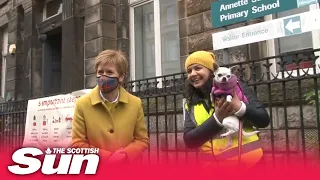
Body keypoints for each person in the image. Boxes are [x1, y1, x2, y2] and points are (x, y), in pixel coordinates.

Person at [183, 50, 270, 168]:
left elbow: (263, 119)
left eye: (198, 68)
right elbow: (190, 141)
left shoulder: (236, 88)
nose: (192, 74)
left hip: (250, 167)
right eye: (189, 71)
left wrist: (240, 108)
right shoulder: (190, 104)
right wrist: (217, 119)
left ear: (211, 71)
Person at [72, 49, 149, 164]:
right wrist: (106, 157)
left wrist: (125, 155)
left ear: (121, 76)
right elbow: (77, 143)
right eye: (100, 72)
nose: (103, 76)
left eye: (109, 72)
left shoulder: (135, 103)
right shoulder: (82, 104)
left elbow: (142, 140)